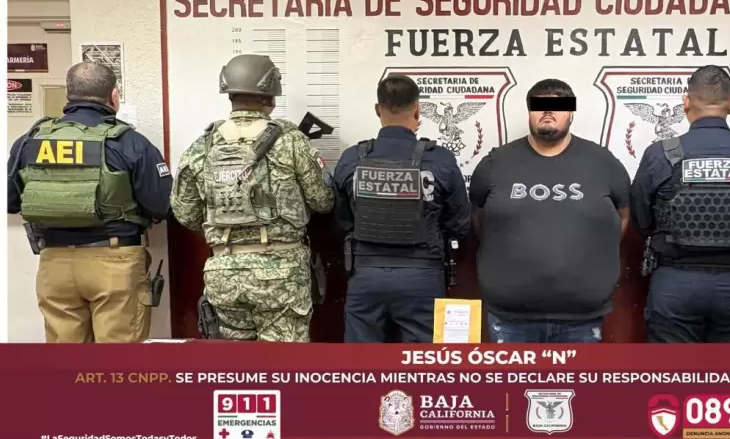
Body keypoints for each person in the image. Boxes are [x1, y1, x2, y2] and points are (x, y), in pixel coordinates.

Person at [170, 54, 334, 342]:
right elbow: (323, 200)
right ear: (270, 96)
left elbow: (186, 214)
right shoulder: (291, 141)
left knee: (236, 362)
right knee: (284, 362)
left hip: (223, 273)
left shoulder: (202, 145)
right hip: (280, 272)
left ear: (230, 95)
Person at [6, 62, 172, 343]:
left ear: (68, 94)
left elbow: (11, 201)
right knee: (118, 360)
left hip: (54, 262)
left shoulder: (30, 141)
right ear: (114, 96)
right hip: (114, 261)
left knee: (65, 359)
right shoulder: (130, 142)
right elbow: (160, 205)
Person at [469, 78, 631, 344]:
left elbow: (622, 218)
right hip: (510, 318)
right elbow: (478, 220)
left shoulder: (604, 163)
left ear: (571, 113)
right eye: (538, 105)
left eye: (557, 105)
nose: (547, 111)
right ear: (529, 112)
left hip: (582, 317)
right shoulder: (495, 163)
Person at [630, 65, 730, 343]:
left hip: (676, 285)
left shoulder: (661, 154)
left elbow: (642, 221)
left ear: (686, 102)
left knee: (671, 368)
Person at [333, 75, 471, 343]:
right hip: (422, 276)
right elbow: (459, 224)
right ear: (417, 109)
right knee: (424, 363)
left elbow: (342, 220)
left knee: (361, 363)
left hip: (366, 275)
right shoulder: (439, 159)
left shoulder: (353, 158)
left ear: (378, 110)